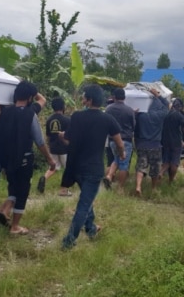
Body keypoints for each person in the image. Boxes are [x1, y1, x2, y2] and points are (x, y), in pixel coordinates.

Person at [60, 84, 125, 250]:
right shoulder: (107, 118)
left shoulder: (77, 117)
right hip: (94, 169)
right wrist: (122, 154)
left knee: (86, 199)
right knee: (84, 203)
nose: (82, 99)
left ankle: (91, 228)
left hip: (76, 167)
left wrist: (61, 136)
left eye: (84, 97)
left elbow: (69, 140)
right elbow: (118, 141)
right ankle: (69, 241)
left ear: (89, 100)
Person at [0, 81, 55, 235]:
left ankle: (3, 210)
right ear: (30, 98)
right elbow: (39, 140)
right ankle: (15, 227)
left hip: (7, 159)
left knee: (14, 186)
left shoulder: (5, 112)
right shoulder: (30, 114)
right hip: (24, 158)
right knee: (23, 191)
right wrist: (49, 159)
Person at [133, 88, 168, 195]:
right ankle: (153, 188)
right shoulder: (161, 115)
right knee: (155, 168)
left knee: (141, 166)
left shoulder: (141, 115)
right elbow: (167, 106)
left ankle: (138, 186)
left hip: (142, 144)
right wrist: (158, 95)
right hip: (155, 145)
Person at [38, 97, 72, 196]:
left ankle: (44, 177)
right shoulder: (67, 120)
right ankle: (64, 190)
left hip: (53, 147)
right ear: (63, 107)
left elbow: (48, 136)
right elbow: (70, 135)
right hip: (64, 148)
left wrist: (49, 147)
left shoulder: (49, 119)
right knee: (68, 169)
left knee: (54, 167)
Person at [104, 88, 136, 190]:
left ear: (114, 97)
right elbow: (134, 125)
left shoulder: (108, 109)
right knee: (124, 164)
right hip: (125, 140)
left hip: (112, 140)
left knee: (117, 159)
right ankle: (120, 187)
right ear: (125, 97)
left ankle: (109, 177)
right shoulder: (129, 110)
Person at [160, 98, 184, 184]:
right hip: (176, 142)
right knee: (174, 162)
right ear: (180, 107)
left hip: (165, 141)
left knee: (166, 161)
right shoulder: (178, 114)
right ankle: (171, 180)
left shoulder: (165, 114)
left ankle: (161, 172)